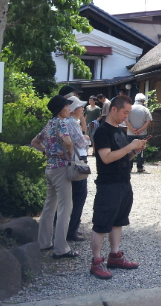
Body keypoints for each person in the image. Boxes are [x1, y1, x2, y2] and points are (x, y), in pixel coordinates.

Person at [90, 95, 147, 279]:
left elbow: (123, 156)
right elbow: (106, 158)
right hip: (108, 184)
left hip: (124, 181)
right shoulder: (102, 131)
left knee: (119, 220)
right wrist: (129, 146)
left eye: (128, 113)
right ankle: (96, 261)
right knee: (101, 223)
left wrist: (134, 151)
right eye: (124, 112)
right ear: (113, 109)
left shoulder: (121, 131)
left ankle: (114, 256)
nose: (126, 116)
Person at [31, 96, 79, 259]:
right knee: (65, 207)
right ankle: (61, 248)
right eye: (67, 106)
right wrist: (70, 154)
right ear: (60, 109)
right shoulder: (61, 123)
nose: (69, 109)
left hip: (50, 168)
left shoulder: (49, 124)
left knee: (49, 206)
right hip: (61, 168)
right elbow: (68, 141)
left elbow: (34, 142)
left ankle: (44, 242)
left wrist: (47, 151)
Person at [66, 96, 90, 242]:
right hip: (77, 163)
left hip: (70, 162)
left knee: (70, 197)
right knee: (79, 196)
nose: (82, 109)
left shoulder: (67, 122)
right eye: (80, 107)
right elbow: (81, 143)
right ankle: (72, 229)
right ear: (74, 109)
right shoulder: (72, 123)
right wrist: (87, 139)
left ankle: (69, 227)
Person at [125, 93, 153, 173]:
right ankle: (140, 167)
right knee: (141, 150)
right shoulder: (145, 109)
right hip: (142, 133)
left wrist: (132, 129)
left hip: (130, 133)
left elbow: (126, 120)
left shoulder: (130, 108)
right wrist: (140, 130)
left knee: (130, 149)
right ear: (143, 101)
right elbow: (149, 121)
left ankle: (129, 167)